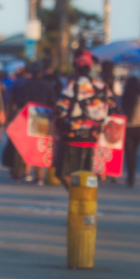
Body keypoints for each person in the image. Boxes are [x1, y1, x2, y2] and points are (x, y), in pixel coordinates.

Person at [54, 50, 117, 189]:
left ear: (76, 67)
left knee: (62, 172)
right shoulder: (102, 85)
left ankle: (77, 196)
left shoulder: (72, 84)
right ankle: (85, 199)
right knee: (87, 174)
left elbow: (60, 109)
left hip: (72, 137)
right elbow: (113, 108)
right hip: (93, 137)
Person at [13, 62, 56, 184]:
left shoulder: (24, 85)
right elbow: (52, 103)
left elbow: (20, 103)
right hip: (43, 119)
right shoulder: (47, 86)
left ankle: (20, 173)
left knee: (24, 147)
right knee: (39, 147)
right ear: (42, 72)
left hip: (26, 118)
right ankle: (39, 176)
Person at [121, 77, 140, 187]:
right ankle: (132, 175)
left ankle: (130, 176)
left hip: (127, 129)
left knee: (129, 153)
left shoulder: (123, 99)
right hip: (139, 128)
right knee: (134, 153)